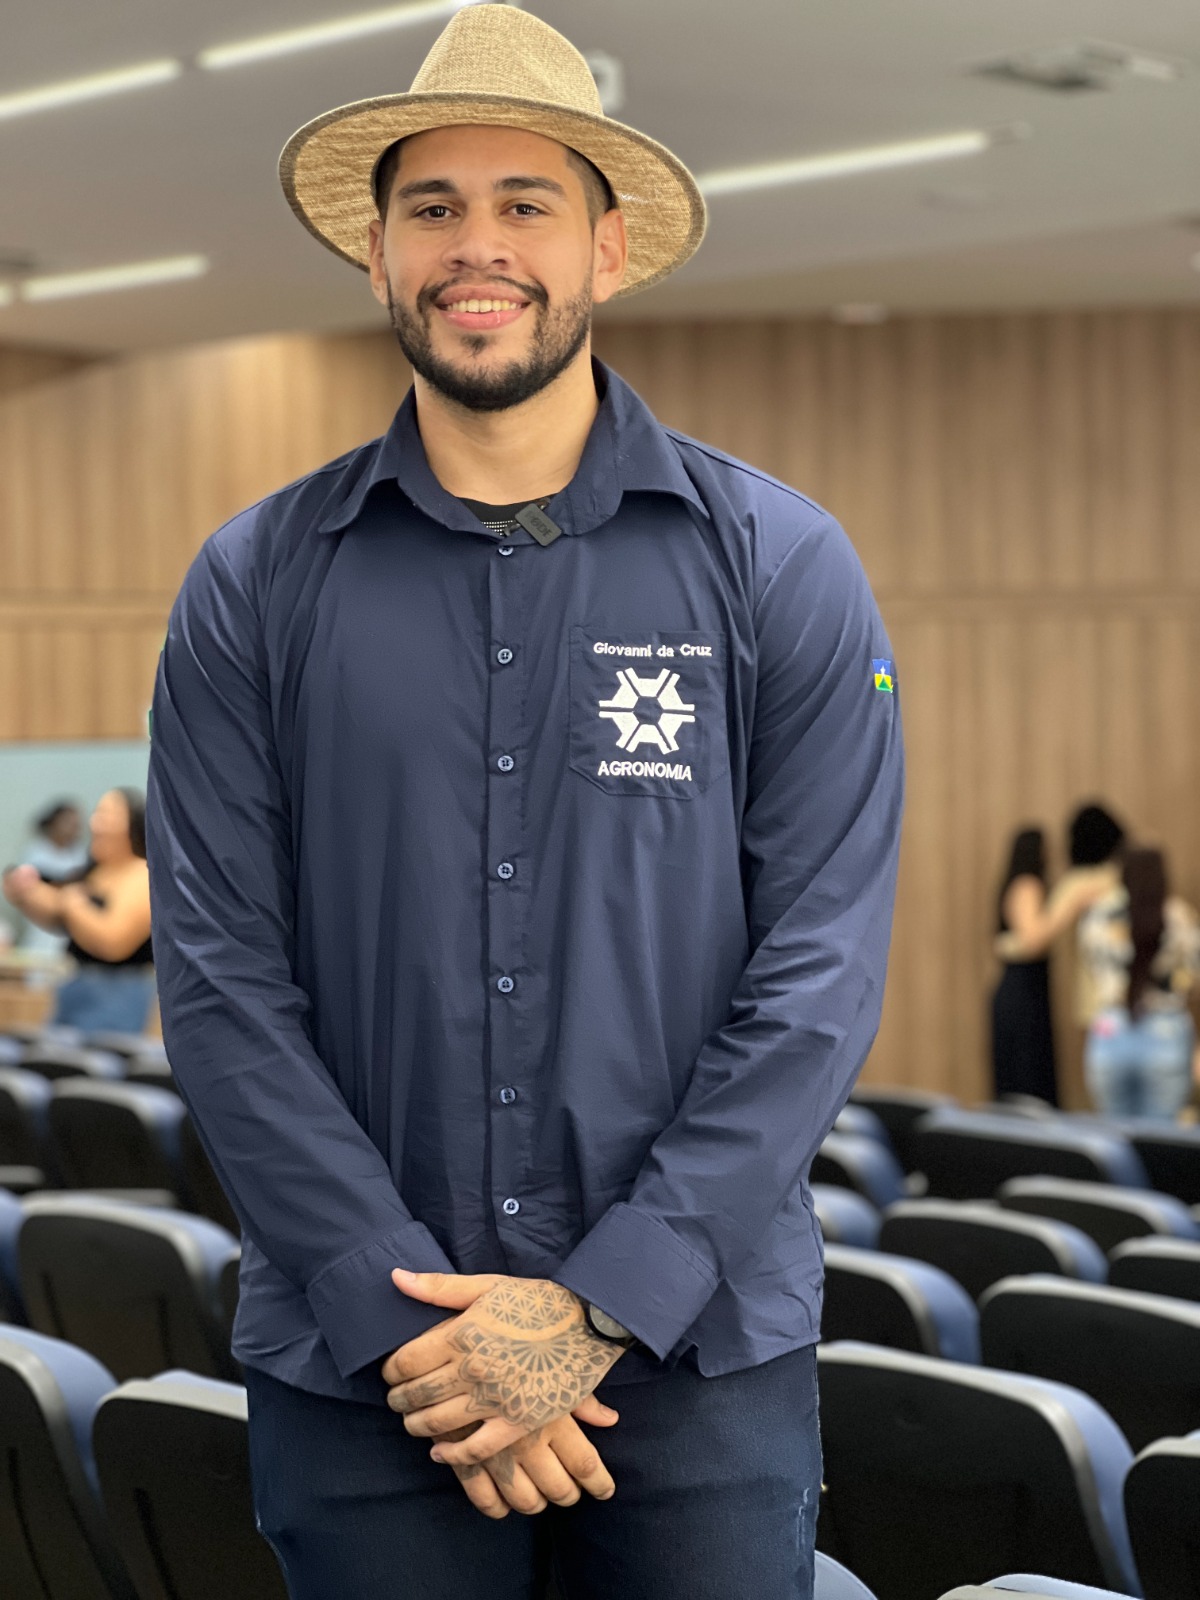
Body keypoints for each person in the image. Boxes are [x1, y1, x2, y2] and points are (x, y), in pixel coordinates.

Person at [145, 9, 904, 1598]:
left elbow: (819, 974)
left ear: (606, 250)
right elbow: (219, 979)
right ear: (378, 253)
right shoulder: (255, 583)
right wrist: (410, 1316)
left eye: (525, 204)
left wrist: (601, 1302)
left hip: (698, 1360)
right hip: (367, 1373)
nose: (475, 247)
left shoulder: (780, 566)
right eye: (432, 207)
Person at [2, 788, 155, 1033]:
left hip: (118, 992)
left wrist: (74, 903)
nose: (95, 823)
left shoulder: (141, 874)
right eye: (97, 813)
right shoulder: (95, 872)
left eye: (107, 815)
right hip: (75, 982)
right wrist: (25, 891)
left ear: (133, 824)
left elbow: (113, 942)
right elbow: (58, 910)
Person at [1080, 847, 1200, 1121]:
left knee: (1114, 1133)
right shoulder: (1178, 916)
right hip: (1166, 1030)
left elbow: (1090, 963)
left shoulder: (1097, 916)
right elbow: (1194, 974)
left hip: (1110, 1030)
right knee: (1160, 1137)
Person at [990, 827, 1059, 1105]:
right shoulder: (1028, 884)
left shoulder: (1015, 883)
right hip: (1024, 994)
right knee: (1027, 1082)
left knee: (1020, 1080)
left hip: (1020, 991)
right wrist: (1071, 902)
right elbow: (1032, 940)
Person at [17, 800, 89, 959]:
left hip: (72, 924)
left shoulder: (80, 853)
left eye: (76, 824)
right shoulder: (37, 851)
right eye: (67, 822)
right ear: (53, 823)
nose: (73, 828)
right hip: (41, 925)